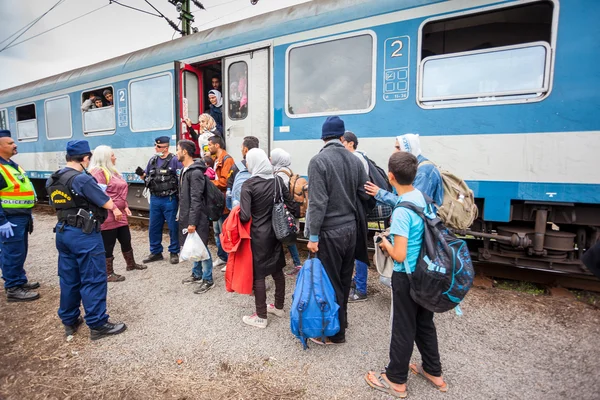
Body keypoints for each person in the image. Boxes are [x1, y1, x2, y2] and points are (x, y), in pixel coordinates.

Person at [365, 151, 447, 398]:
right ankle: (434, 371)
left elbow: (399, 255)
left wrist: (384, 242)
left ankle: (396, 379)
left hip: (407, 276)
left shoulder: (402, 211)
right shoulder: (422, 197)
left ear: (390, 177)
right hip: (426, 273)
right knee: (424, 324)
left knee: (403, 327)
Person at [46, 140, 127, 340]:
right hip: (84, 234)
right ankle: (98, 324)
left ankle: (70, 319)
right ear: (85, 158)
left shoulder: (54, 178)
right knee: (93, 278)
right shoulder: (81, 179)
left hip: (64, 232)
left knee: (69, 278)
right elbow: (106, 202)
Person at [305, 116, 370, 345]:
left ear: (323, 137)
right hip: (351, 230)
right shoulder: (354, 160)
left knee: (329, 283)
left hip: (329, 232)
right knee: (343, 280)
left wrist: (313, 237)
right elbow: (365, 193)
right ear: (343, 137)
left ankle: (332, 333)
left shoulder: (318, 161)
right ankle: (341, 327)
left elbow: (317, 203)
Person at [239, 148, 295, 328]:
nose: (246, 164)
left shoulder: (249, 185)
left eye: (248, 161)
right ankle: (279, 307)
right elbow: (291, 205)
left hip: (258, 235)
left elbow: (245, 216)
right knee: (277, 270)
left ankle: (261, 317)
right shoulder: (278, 180)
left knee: (259, 275)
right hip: (277, 232)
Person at [90, 145, 146, 283]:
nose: (115, 157)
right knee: (108, 243)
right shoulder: (98, 173)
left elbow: (119, 193)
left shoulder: (112, 171)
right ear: (106, 158)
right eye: (113, 155)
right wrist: (114, 208)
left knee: (125, 238)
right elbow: (100, 194)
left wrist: (125, 206)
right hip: (108, 214)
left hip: (119, 213)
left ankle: (131, 264)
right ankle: (108, 273)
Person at [0, 130, 39, 302]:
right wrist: (2, 221)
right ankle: (13, 288)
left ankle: (19, 280)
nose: (14, 145)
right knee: (12, 252)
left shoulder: (12, 165)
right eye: (10, 143)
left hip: (21, 216)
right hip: (9, 218)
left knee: (20, 251)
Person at [135, 136, 183, 265]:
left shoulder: (174, 160)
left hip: (170, 198)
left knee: (173, 227)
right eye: (156, 146)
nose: (155, 148)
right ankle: (156, 252)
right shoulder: (153, 160)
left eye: (158, 147)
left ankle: (174, 252)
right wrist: (141, 175)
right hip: (155, 198)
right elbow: (147, 178)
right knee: (154, 227)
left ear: (165, 148)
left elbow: (181, 178)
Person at [177, 140, 214, 294]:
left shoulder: (196, 172)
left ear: (185, 151)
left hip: (197, 217)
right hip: (190, 215)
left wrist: (192, 222)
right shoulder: (186, 170)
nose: (177, 152)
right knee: (194, 245)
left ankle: (208, 279)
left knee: (202, 247)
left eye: (178, 149)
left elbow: (196, 199)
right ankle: (197, 274)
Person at [365, 134, 443, 208]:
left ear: (409, 148)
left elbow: (415, 204)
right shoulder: (411, 166)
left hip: (426, 221)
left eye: (399, 148)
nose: (394, 152)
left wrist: (380, 194)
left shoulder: (424, 172)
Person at [341, 131, 370, 303]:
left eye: (343, 142)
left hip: (357, 210)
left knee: (359, 249)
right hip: (357, 208)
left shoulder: (356, 159)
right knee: (356, 248)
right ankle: (357, 282)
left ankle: (361, 289)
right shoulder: (359, 157)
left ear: (351, 143)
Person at [270, 148, 302, 275]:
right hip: (292, 208)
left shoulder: (280, 175)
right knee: (289, 238)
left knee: (284, 237)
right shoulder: (288, 170)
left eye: (272, 157)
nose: (270, 159)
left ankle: (296, 264)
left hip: (283, 212)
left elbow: (279, 194)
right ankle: (296, 263)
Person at [207, 135, 234, 270]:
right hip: (216, 200)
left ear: (217, 145)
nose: (209, 147)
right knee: (217, 231)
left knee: (224, 231)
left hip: (222, 201)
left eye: (210, 145)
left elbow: (224, 182)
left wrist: (209, 183)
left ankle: (229, 259)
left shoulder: (227, 159)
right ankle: (222, 256)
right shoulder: (216, 159)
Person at [230, 136, 259, 208]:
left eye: (242, 148)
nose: (241, 150)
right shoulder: (263, 165)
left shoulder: (236, 167)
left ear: (245, 150)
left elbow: (229, 188)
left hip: (240, 207)